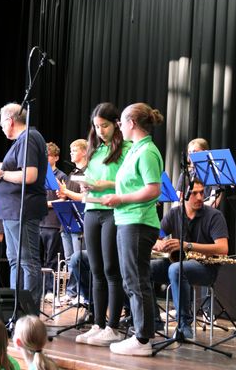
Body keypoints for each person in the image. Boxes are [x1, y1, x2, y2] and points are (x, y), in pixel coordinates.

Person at [101, 102, 164, 356]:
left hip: (138, 222)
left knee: (136, 281)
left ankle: (142, 339)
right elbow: (128, 184)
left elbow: (153, 188)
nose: (118, 127)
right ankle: (140, 335)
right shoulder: (135, 150)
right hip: (127, 220)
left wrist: (121, 199)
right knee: (131, 279)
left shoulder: (147, 151)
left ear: (131, 123)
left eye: (120, 122)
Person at [74, 103, 131, 347]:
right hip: (92, 211)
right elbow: (91, 180)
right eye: (96, 126)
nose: (100, 131)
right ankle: (97, 324)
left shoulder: (127, 149)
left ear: (116, 124)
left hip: (113, 212)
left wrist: (103, 185)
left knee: (111, 270)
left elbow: (130, 183)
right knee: (95, 269)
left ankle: (113, 327)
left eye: (104, 126)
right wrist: (85, 185)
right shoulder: (94, 151)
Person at [151, 178, 228, 338]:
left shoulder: (214, 216)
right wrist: (158, 243)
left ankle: (184, 324)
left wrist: (188, 245)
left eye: (202, 192)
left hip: (206, 268)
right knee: (143, 268)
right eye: (194, 193)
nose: (200, 197)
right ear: (183, 196)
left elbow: (223, 249)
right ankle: (152, 319)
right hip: (179, 263)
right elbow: (154, 236)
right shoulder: (174, 213)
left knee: (176, 269)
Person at [0, 103, 48, 306]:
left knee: (28, 262)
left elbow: (29, 175)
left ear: (10, 121)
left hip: (22, 208)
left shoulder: (29, 138)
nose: (0, 126)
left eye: (1, 122)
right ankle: (15, 310)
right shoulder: (23, 140)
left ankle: (28, 315)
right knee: (15, 260)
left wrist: (1, 173)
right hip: (12, 210)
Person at [56, 139, 87, 302]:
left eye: (74, 150)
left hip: (80, 222)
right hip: (67, 221)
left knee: (78, 259)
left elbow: (84, 197)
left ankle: (82, 293)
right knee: (69, 259)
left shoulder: (88, 172)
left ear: (84, 152)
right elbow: (66, 195)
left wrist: (66, 191)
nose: (71, 154)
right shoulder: (72, 174)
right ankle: (72, 291)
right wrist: (62, 194)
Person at [39, 142, 69, 303]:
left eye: (49, 155)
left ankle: (50, 290)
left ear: (56, 157)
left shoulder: (61, 176)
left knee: (51, 259)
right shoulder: (40, 174)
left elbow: (63, 198)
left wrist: (46, 204)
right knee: (38, 258)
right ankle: (39, 289)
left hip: (52, 221)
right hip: (39, 221)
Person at [176, 138, 222, 208]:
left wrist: (191, 208)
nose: (191, 155)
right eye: (190, 152)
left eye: (195, 152)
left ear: (205, 152)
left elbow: (214, 202)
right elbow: (177, 200)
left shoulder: (215, 174)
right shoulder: (185, 174)